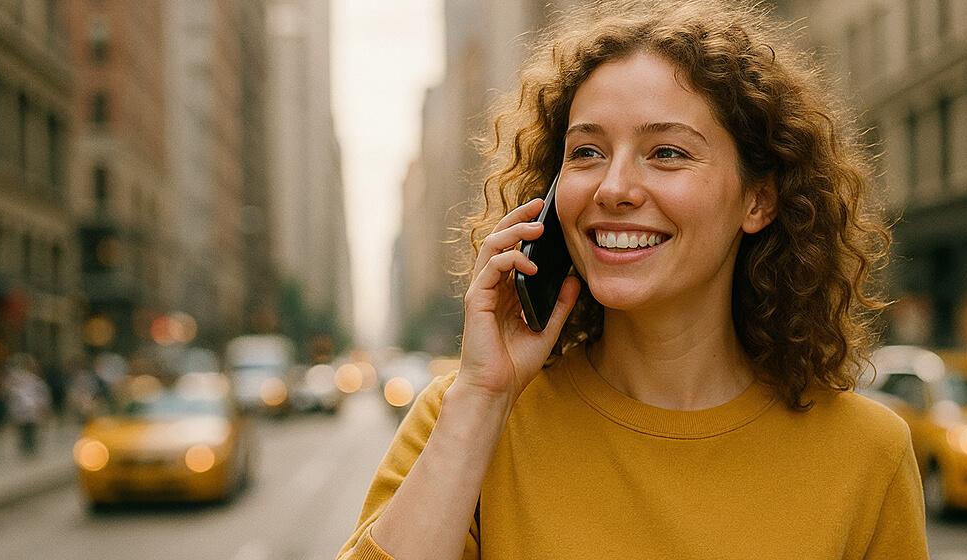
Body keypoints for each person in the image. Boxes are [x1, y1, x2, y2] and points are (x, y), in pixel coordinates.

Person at [338, 2, 927, 558]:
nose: (613, 187)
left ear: (759, 200)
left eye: (667, 152)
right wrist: (483, 403)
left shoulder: (868, 455)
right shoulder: (464, 416)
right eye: (587, 152)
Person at [6, 354, 51, 458]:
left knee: (31, 431)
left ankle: (31, 449)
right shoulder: (18, 381)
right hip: (22, 413)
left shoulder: (36, 381)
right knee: (23, 432)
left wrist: (42, 409)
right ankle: (25, 449)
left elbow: (42, 397)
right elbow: (13, 396)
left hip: (32, 412)